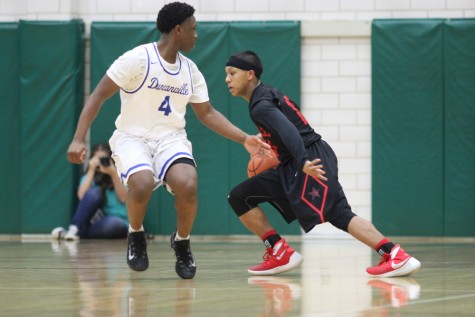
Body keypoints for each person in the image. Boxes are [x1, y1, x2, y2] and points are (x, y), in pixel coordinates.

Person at [66, 2, 268, 279]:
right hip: (132, 137)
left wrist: (244, 138)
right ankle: (135, 235)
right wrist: (78, 138)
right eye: (193, 29)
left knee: (188, 184)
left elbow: (207, 113)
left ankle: (182, 241)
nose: (196, 35)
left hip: (170, 138)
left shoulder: (190, 70)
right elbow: (98, 95)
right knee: (142, 182)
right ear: (178, 29)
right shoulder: (137, 59)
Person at [224, 50, 421, 277]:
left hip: (308, 160)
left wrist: (302, 160)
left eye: (232, 73)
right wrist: (275, 145)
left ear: (249, 75)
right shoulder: (267, 93)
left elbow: (288, 129)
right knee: (240, 196)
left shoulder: (260, 105)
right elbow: (292, 117)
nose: (227, 79)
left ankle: (395, 255)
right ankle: (278, 250)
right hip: (295, 163)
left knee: (338, 213)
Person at [52, 143, 128, 240]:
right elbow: (81, 196)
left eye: (103, 159)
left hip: (116, 222)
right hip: (95, 222)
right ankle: (74, 229)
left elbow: (124, 199)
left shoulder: (121, 176)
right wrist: (91, 169)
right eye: (97, 160)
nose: (100, 163)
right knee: (95, 192)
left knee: (114, 223)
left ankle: (74, 234)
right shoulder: (89, 177)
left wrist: (113, 173)